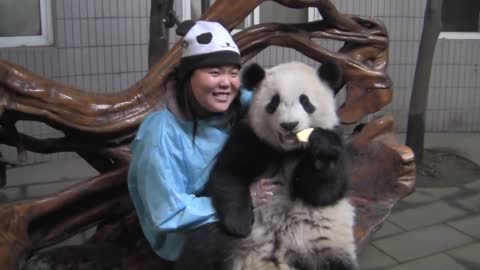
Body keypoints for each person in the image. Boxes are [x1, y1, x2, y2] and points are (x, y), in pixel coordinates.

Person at [127, 20, 276, 266]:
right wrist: (241, 200)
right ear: (188, 77)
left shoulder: (239, 102)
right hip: (186, 236)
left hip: (233, 205)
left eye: (233, 72)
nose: (226, 83)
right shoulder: (161, 135)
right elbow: (168, 212)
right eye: (214, 72)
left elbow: (275, 109)